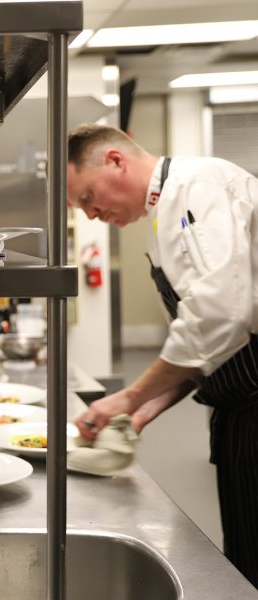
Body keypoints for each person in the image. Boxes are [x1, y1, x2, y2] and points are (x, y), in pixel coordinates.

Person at [67, 123, 258, 587]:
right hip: (238, 405)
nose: (91, 214)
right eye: (82, 207)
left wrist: (128, 397)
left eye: (89, 196)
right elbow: (205, 347)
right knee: (247, 555)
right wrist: (145, 411)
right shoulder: (162, 215)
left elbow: (221, 316)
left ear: (115, 160)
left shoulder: (196, 189)